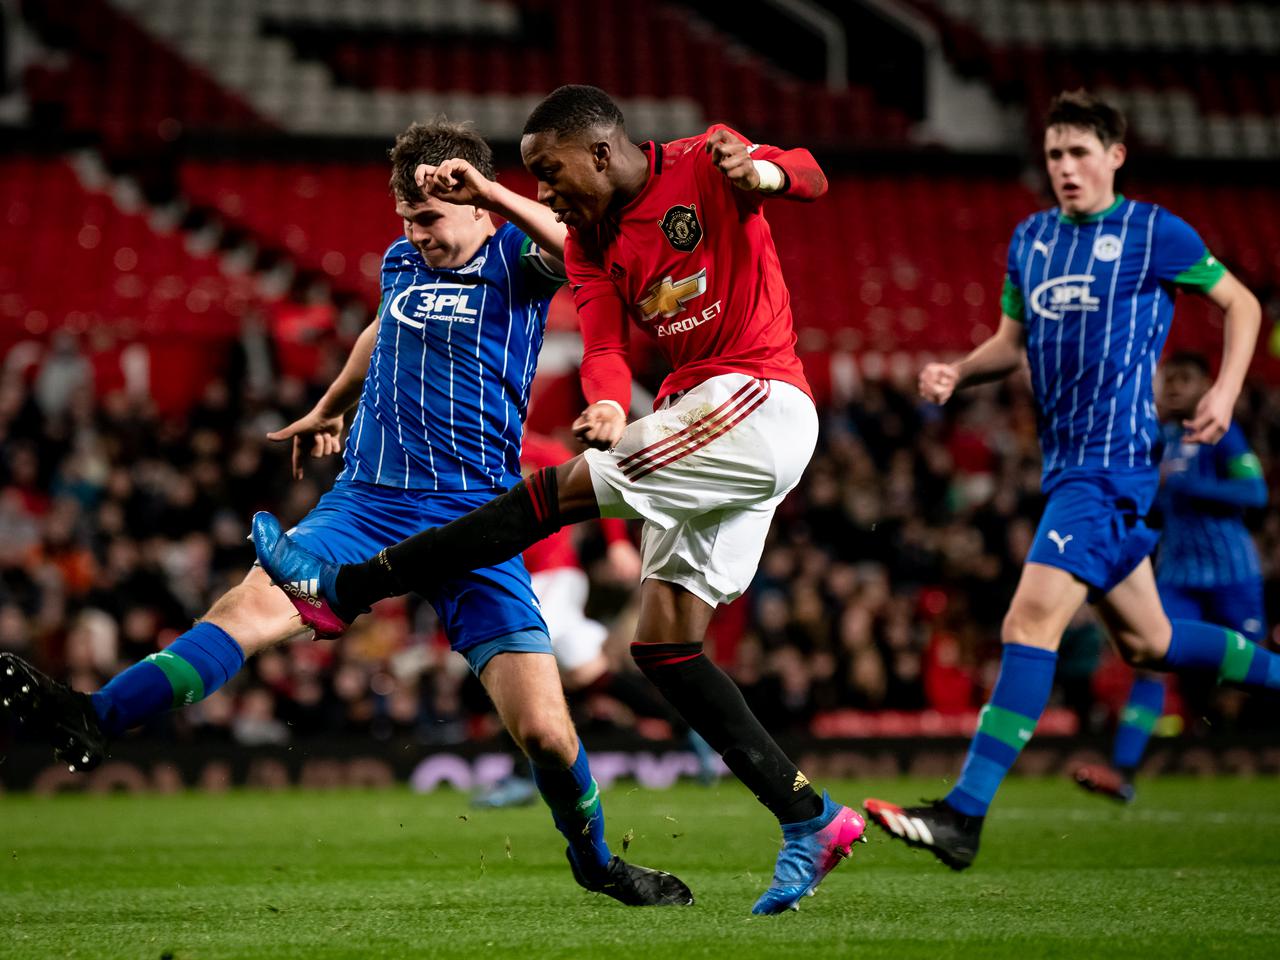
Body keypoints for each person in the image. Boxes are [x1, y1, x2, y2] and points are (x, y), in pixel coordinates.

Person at [0, 118, 692, 907]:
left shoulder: (516, 257)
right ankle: (98, 714)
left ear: (473, 206)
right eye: (406, 221)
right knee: (247, 608)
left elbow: (585, 245)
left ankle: (597, 861)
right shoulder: (403, 261)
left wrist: (494, 190)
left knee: (544, 731)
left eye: (430, 218)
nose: (416, 236)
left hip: (474, 519)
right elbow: (380, 325)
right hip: (367, 498)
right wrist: (332, 403)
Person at [251, 84, 866, 915]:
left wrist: (762, 173)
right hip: (698, 417)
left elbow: (811, 173)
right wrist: (609, 401)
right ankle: (810, 819)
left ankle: (347, 591)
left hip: (757, 400)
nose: (544, 190)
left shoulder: (702, 160)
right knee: (665, 650)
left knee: (540, 498)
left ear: (601, 153)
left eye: (550, 172)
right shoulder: (591, 248)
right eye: (531, 178)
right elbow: (606, 347)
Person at [863, 90, 1274, 870]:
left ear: (1115, 156)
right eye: (1054, 154)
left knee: (1028, 625)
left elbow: (1241, 304)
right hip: (1067, 470)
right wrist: (959, 369)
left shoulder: (1155, 231)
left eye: (1080, 152)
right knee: (1151, 644)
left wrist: (1223, 391)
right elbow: (1010, 343)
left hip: (1110, 467)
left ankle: (963, 816)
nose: (1065, 168)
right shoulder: (1031, 241)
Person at [474, 431, 719, 809]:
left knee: (519, 659)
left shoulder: (544, 450)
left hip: (555, 575)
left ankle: (523, 776)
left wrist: (616, 541)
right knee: (590, 673)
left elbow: (600, 481)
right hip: (523, 578)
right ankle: (686, 728)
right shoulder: (473, 457)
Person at [1075, 351, 1269, 802]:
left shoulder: (1222, 435)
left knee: (1251, 672)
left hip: (1231, 574)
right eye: (1169, 379)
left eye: (1186, 378)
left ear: (1206, 386)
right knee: (1150, 663)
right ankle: (1122, 774)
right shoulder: (1156, 439)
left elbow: (1254, 492)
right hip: (1178, 573)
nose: (1175, 387)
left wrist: (1183, 485)